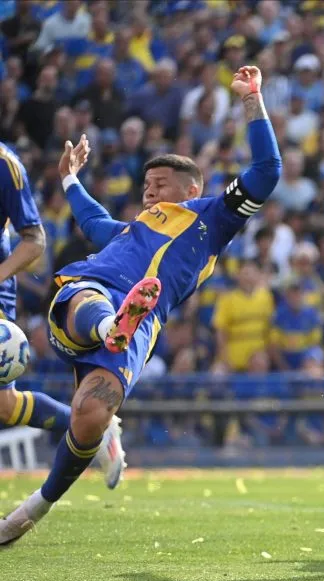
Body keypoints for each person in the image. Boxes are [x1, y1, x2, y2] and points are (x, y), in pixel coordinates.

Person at [0, 66, 281, 547]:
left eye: (162, 182)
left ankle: (30, 511)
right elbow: (94, 222)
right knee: (92, 301)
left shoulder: (210, 217)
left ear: (191, 188)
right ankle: (112, 323)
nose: (150, 189)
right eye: (146, 182)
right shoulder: (131, 229)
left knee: (88, 415)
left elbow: (266, 171)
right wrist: (69, 180)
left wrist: (252, 99)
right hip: (92, 295)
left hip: (141, 326)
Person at [0, 142, 123, 488]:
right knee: (6, 407)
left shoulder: (6, 165)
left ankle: (92, 426)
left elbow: (34, 240)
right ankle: (91, 425)